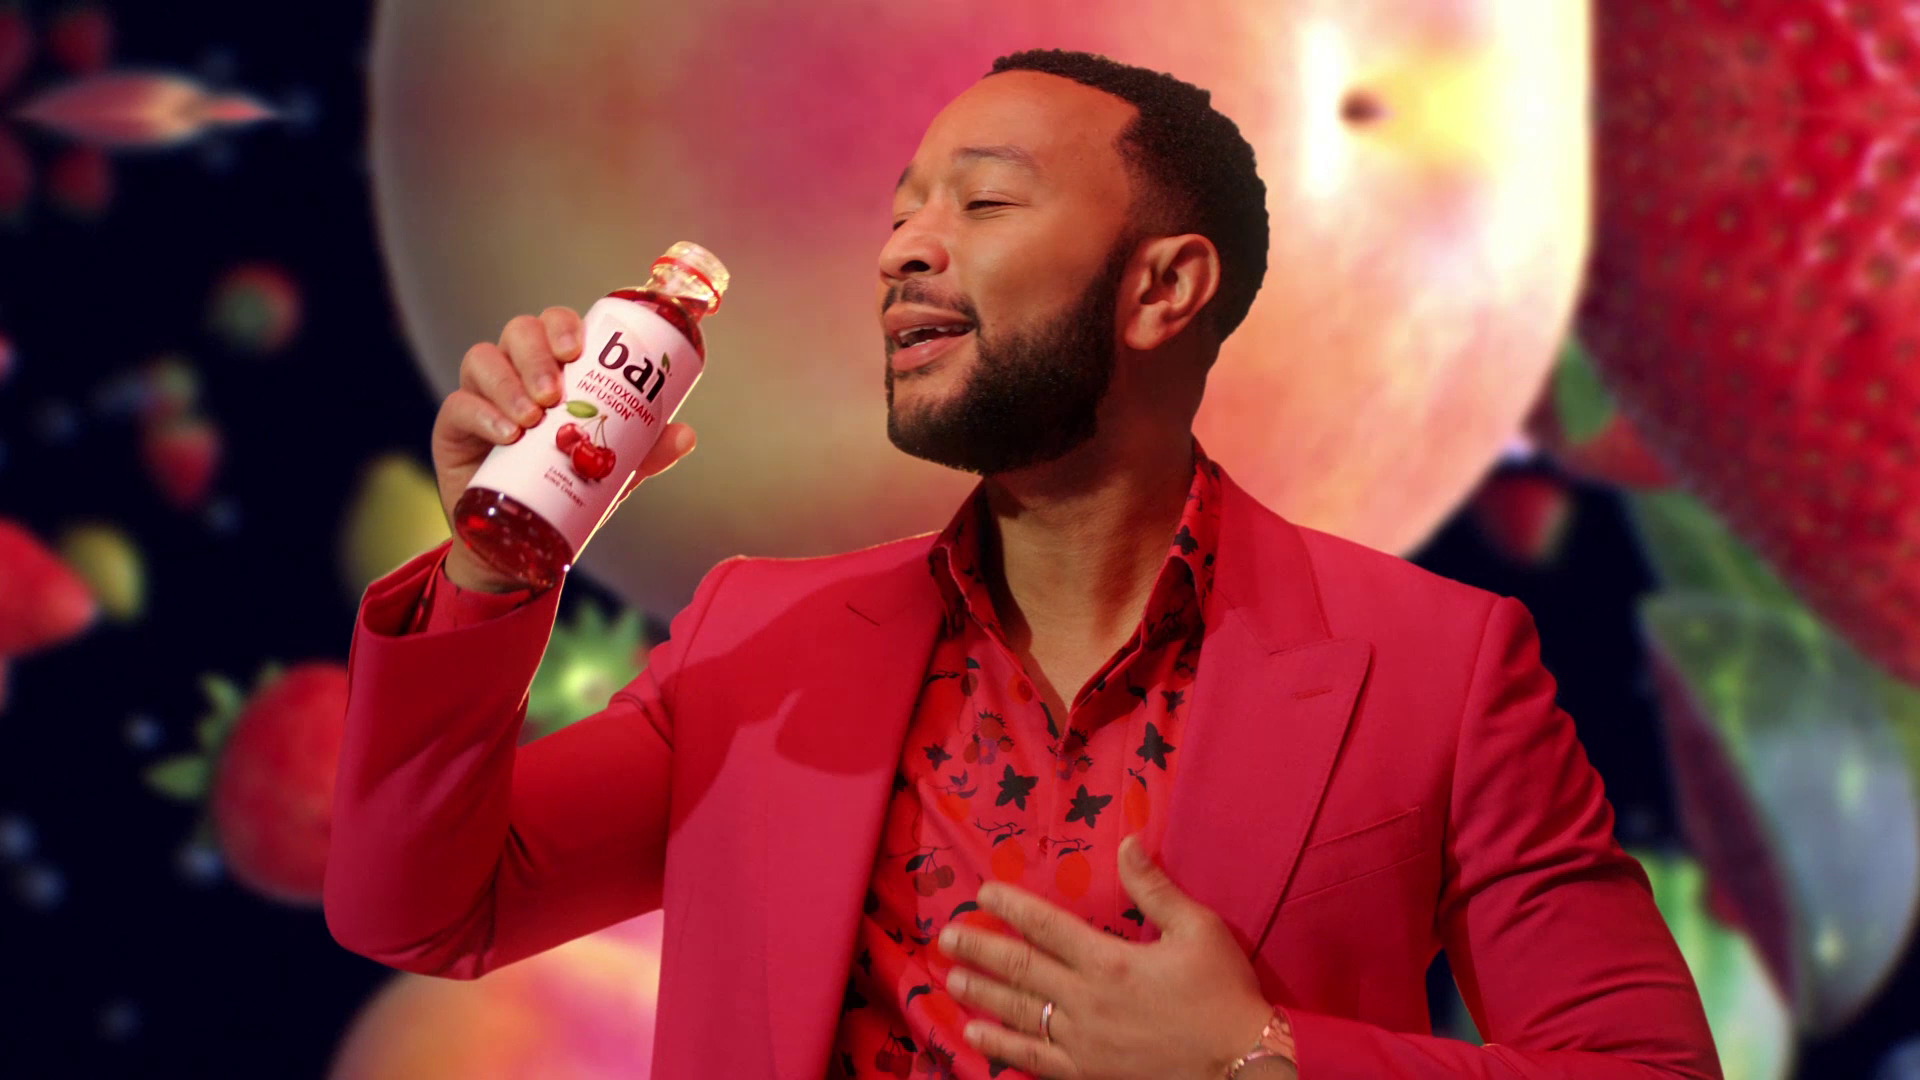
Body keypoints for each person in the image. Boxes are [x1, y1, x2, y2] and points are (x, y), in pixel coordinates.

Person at [325, 48, 1722, 1080]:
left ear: (1163, 288)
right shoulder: (760, 639)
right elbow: (422, 908)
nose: (903, 250)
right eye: (901, 211)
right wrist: (498, 568)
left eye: (982, 203)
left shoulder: (1438, 668)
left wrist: (1262, 1059)